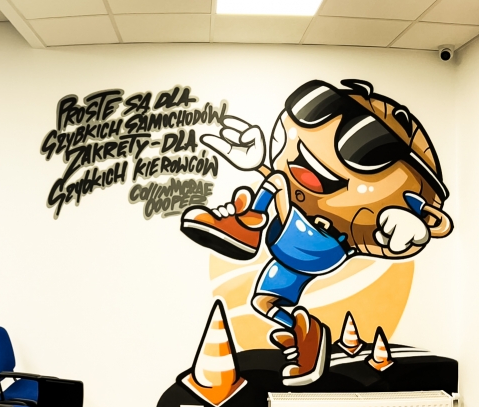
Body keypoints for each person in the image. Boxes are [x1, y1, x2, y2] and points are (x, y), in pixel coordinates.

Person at [181, 79, 453, 386]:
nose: (317, 151)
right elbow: (290, 184)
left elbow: (396, 236)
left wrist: (410, 230)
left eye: (365, 142)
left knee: (278, 182)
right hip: (290, 254)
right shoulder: (300, 189)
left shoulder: (379, 219)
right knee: (263, 302)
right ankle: (305, 333)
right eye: (318, 106)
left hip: (320, 243)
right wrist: (257, 164)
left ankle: (246, 226)